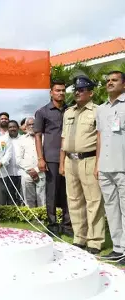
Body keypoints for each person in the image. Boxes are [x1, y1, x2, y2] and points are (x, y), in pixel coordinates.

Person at [60, 75, 105, 254]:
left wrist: (98, 164)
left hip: (89, 159)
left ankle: (95, 241)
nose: (77, 92)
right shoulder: (68, 112)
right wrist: (62, 162)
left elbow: (101, 139)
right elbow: (63, 138)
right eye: (76, 90)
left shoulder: (97, 111)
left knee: (93, 201)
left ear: (91, 93)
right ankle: (80, 237)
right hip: (70, 160)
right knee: (74, 200)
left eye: (82, 90)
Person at [34, 80, 72, 237]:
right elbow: (37, 136)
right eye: (57, 90)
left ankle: (67, 225)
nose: (61, 93)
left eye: (63, 90)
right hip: (51, 157)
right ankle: (52, 224)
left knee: (68, 192)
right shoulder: (42, 112)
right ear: (51, 92)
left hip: (70, 157)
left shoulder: (70, 110)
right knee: (51, 192)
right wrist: (40, 158)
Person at [96, 70, 125, 265]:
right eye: (107, 80)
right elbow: (99, 137)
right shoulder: (101, 109)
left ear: (123, 84)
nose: (109, 83)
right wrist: (97, 164)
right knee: (111, 208)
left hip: (122, 165)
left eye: (114, 80)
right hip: (105, 166)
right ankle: (118, 248)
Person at [16, 117, 46, 208]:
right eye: (29, 124)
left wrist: (36, 170)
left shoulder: (44, 138)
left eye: (34, 124)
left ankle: (42, 219)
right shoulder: (21, 139)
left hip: (41, 173)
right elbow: (19, 159)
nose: (32, 126)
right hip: (27, 174)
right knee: (29, 200)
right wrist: (31, 170)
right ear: (26, 126)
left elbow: (47, 156)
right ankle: (31, 220)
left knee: (42, 199)